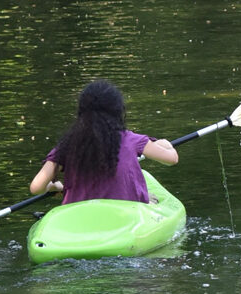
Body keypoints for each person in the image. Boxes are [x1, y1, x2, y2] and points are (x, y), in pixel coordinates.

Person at [30, 80, 178, 204]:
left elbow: (36, 188)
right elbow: (172, 159)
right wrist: (166, 145)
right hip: (125, 215)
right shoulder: (131, 139)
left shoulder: (67, 145)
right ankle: (142, 199)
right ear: (116, 110)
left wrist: (55, 186)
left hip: (80, 217)